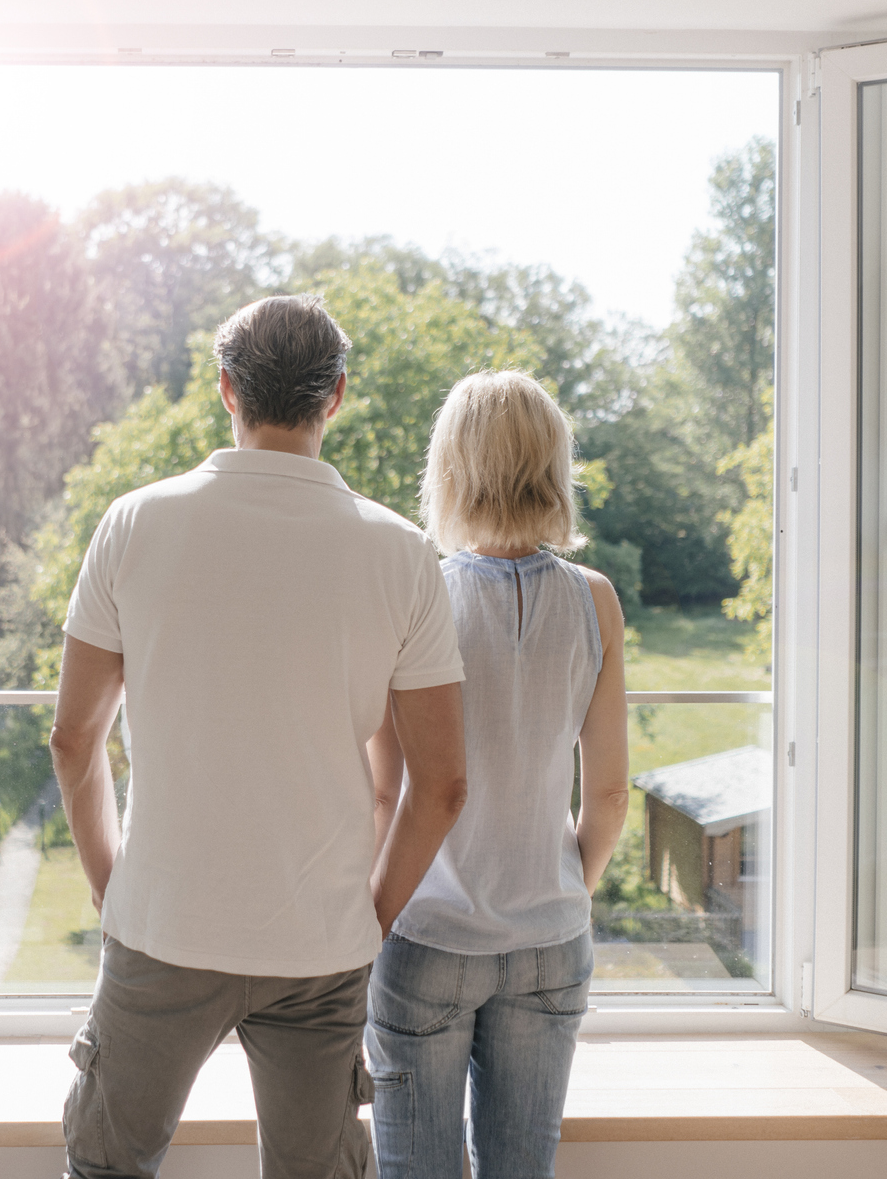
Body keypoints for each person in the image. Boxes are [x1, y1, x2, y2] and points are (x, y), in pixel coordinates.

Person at [51, 294, 469, 1179]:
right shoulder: (400, 555)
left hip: (161, 925)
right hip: (319, 944)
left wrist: (109, 886)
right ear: (338, 395)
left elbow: (74, 741)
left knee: (105, 1170)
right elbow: (438, 785)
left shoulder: (134, 523)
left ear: (224, 390)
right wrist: (369, 916)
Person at [365, 370, 630, 1179]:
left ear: (449, 470)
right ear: (554, 469)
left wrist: (367, 924)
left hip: (428, 937)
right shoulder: (597, 601)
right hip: (551, 939)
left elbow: (388, 792)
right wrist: (563, 892)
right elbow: (611, 795)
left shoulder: (416, 598)